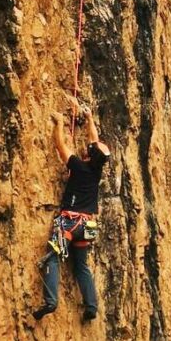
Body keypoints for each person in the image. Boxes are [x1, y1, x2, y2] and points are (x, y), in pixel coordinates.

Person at [33, 107, 110, 322]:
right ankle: (91, 306)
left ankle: (50, 302)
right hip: (87, 227)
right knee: (81, 266)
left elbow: (61, 147)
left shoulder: (77, 165)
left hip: (69, 223)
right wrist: (89, 118)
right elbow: (94, 140)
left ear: (88, 155)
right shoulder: (96, 170)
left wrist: (58, 123)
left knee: (54, 257)